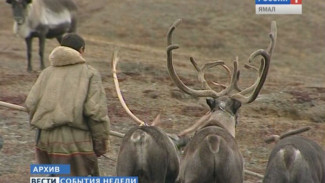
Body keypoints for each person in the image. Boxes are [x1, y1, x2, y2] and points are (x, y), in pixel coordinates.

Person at [25, 33, 110, 176]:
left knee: (54, 178)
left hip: (45, 143)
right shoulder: (89, 74)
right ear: (82, 50)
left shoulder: (46, 73)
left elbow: (31, 104)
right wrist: (101, 145)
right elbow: (96, 113)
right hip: (74, 144)